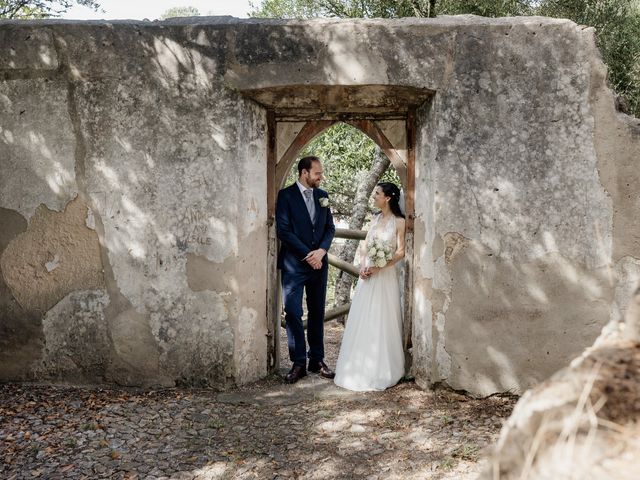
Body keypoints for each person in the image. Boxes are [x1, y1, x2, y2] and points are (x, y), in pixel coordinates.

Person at [334, 182, 406, 391]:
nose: (374, 196)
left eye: (377, 193)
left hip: (385, 277)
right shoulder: (374, 219)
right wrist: (364, 266)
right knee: (363, 318)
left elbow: (401, 252)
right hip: (368, 276)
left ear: (388, 198)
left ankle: (383, 369)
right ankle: (358, 366)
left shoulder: (399, 222)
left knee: (382, 318)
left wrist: (381, 265)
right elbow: (366, 246)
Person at [275, 156, 336, 384]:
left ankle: (316, 359)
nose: (321, 177)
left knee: (318, 312)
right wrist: (307, 255)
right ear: (304, 173)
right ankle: (299, 362)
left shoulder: (323, 196)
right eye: (318, 173)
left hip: (319, 264)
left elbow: (330, 228)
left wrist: (321, 251)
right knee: (292, 313)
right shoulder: (286, 196)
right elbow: (284, 230)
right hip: (294, 265)